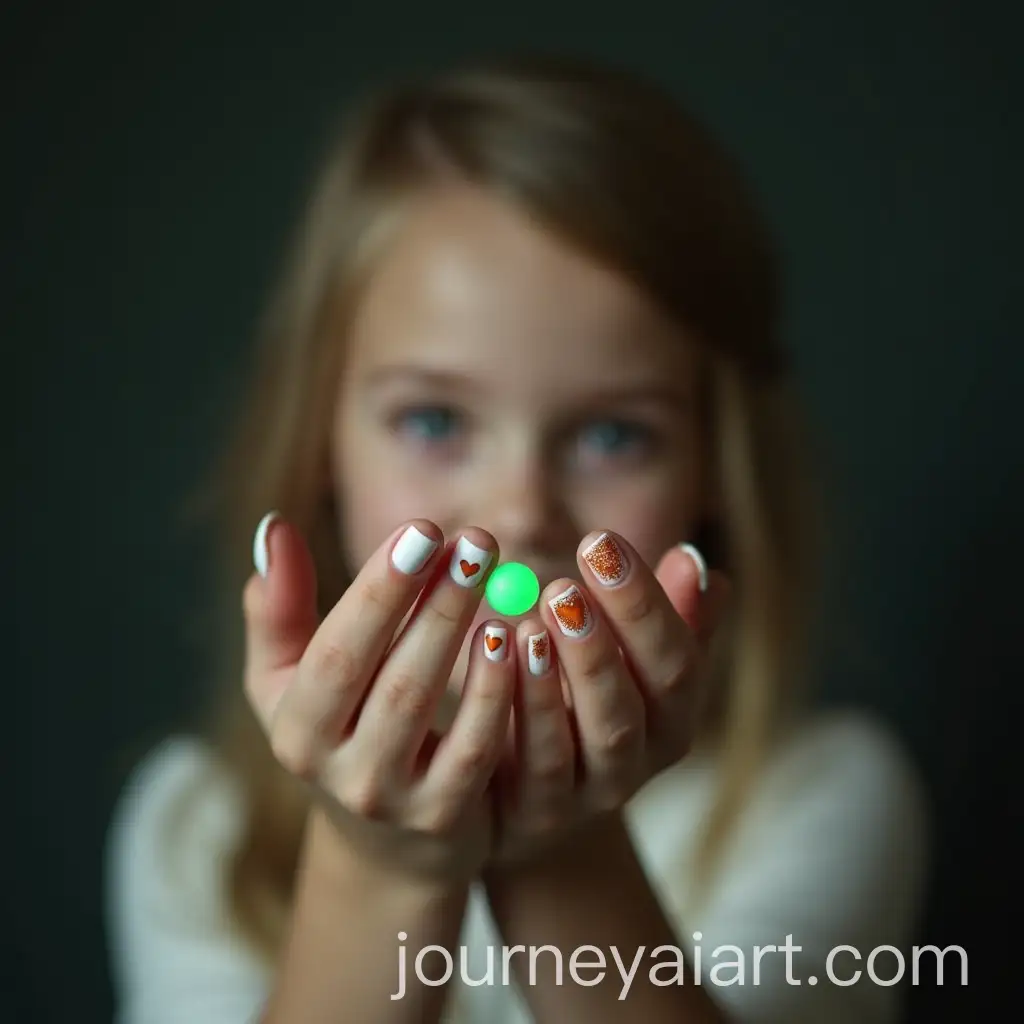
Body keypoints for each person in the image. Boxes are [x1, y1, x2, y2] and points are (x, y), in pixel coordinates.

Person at [105, 54, 927, 1024]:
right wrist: (374, 865)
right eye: (434, 421)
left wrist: (557, 839)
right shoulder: (199, 830)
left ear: (715, 470)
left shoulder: (818, 798)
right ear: (320, 442)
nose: (520, 509)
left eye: (613, 434)